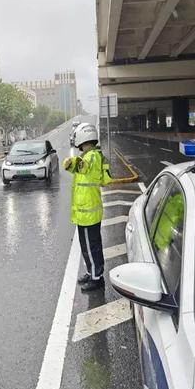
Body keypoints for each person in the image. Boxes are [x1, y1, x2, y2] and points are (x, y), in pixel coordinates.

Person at [63, 123, 111, 292]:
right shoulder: (93, 155)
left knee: (91, 246)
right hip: (88, 211)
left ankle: (96, 278)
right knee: (89, 246)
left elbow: (81, 166)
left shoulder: (91, 157)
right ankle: (91, 272)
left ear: (82, 137)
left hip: (88, 212)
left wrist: (72, 161)